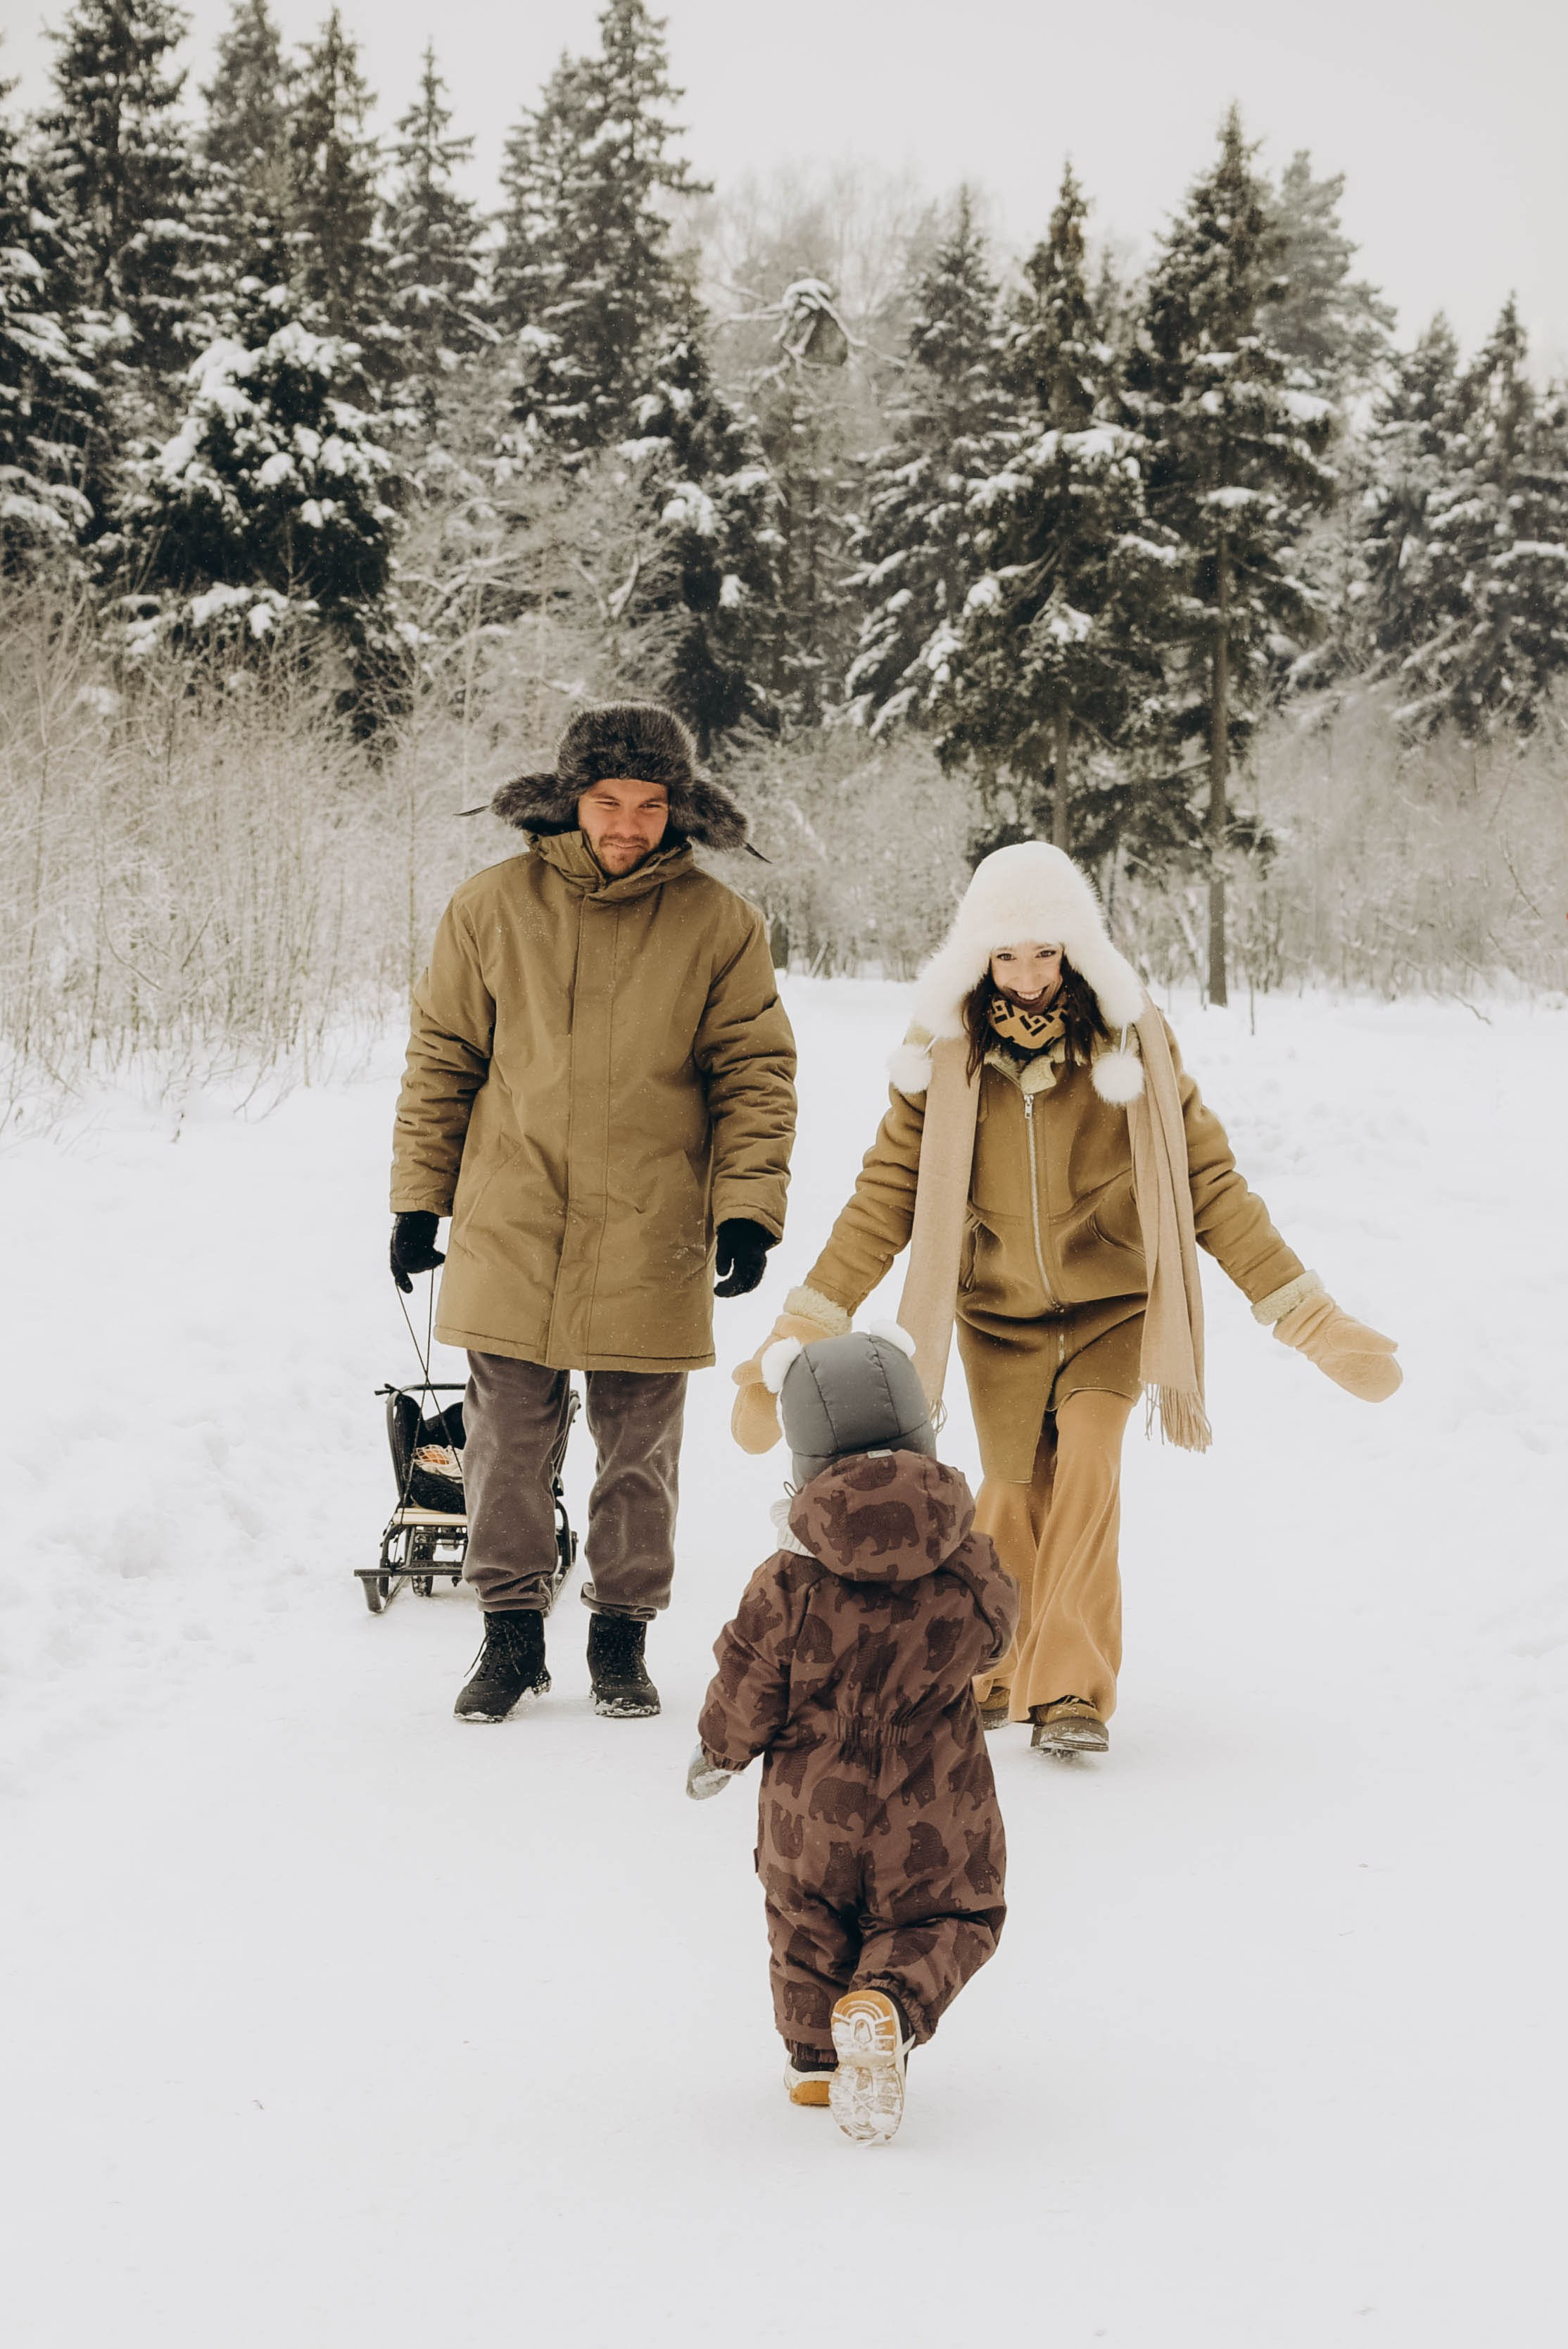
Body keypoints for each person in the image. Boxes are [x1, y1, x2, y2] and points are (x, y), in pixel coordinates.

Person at [731, 841, 1401, 1758]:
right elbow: (887, 1192)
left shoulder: (1134, 1044)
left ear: (1077, 951)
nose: (1030, 975)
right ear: (978, 959)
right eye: (1008, 955)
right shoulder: (943, 1055)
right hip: (996, 1314)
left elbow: (1207, 1178)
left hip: (1113, 1306)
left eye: (1046, 953)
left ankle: (1072, 1690)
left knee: (1087, 1462)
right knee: (1010, 1492)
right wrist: (802, 1323)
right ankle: (995, 1665)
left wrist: (1307, 1316)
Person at [389, 701, 797, 1724]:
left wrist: (747, 1208)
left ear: (677, 810)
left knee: (639, 1454)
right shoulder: (490, 908)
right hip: (512, 1217)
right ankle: (511, 1638)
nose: (626, 824)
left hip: (653, 1222)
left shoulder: (717, 923)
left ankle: (621, 1635)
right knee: (505, 1446)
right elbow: (443, 1060)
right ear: (572, 801)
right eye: (608, 801)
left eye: (649, 804)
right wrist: (416, 1199)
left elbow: (754, 1071)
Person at [690, 1324, 1017, 2146]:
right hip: (933, 1804)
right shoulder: (967, 1566)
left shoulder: (788, 1579)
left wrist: (717, 1752)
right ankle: (888, 2003)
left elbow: (746, 1681)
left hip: (810, 1809)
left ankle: (811, 2061)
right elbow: (1000, 1634)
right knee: (951, 1913)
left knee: (804, 1918)